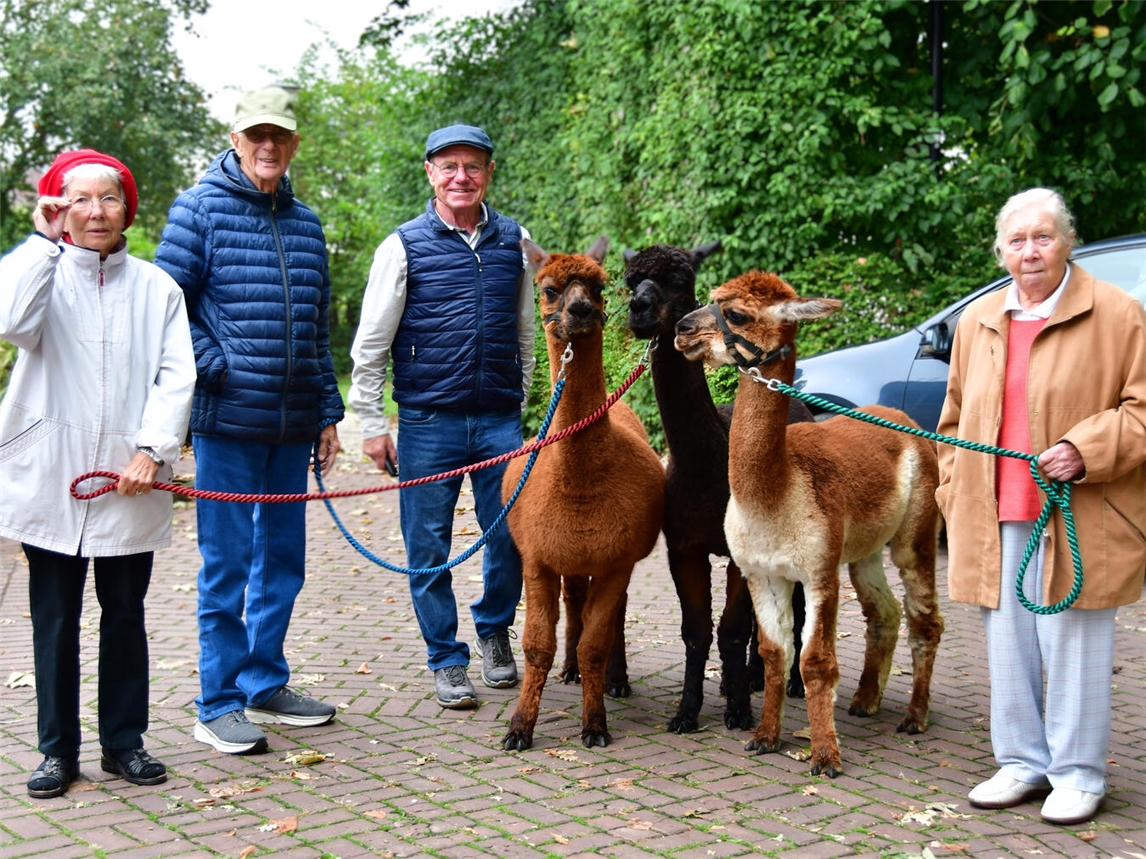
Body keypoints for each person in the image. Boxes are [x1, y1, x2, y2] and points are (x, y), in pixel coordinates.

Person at [936, 187, 1146, 826]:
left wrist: (1085, 448)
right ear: (1001, 249)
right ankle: (1022, 761)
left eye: (1044, 236)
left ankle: (1079, 774)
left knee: (1074, 643)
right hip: (993, 509)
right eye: (1018, 239)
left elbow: (1142, 412)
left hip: (1079, 511)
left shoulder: (1118, 314)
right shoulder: (979, 321)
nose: (1030, 251)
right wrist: (953, 487)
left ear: (1068, 241)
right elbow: (952, 419)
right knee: (1009, 644)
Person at [154, 86, 345, 755]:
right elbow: (165, 307)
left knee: (282, 561)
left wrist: (328, 409)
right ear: (236, 138)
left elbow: (317, 325)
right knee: (228, 564)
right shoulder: (198, 209)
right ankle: (218, 701)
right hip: (228, 420)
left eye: (280, 135)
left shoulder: (306, 221)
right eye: (255, 134)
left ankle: (265, 681)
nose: (268, 146)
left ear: (294, 143)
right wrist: (218, 364)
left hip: (293, 424)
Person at [0, 149, 196, 797]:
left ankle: (124, 742)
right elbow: (9, 322)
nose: (94, 211)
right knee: (53, 618)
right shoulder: (39, 274)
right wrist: (38, 239)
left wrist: (154, 447)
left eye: (107, 198)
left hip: (128, 478)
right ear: (58, 208)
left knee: (125, 615)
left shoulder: (157, 286)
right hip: (52, 476)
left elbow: (175, 374)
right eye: (77, 199)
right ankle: (57, 750)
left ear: (126, 208)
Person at [349, 124, 536, 708]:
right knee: (426, 546)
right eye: (449, 166)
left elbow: (527, 330)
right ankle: (446, 659)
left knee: (508, 534)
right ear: (430, 173)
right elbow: (371, 343)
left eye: (473, 166)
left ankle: (493, 630)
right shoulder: (401, 246)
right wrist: (373, 424)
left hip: (499, 421)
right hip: (428, 422)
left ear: (489, 173)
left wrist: (520, 397)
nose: (462, 177)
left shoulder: (516, 240)